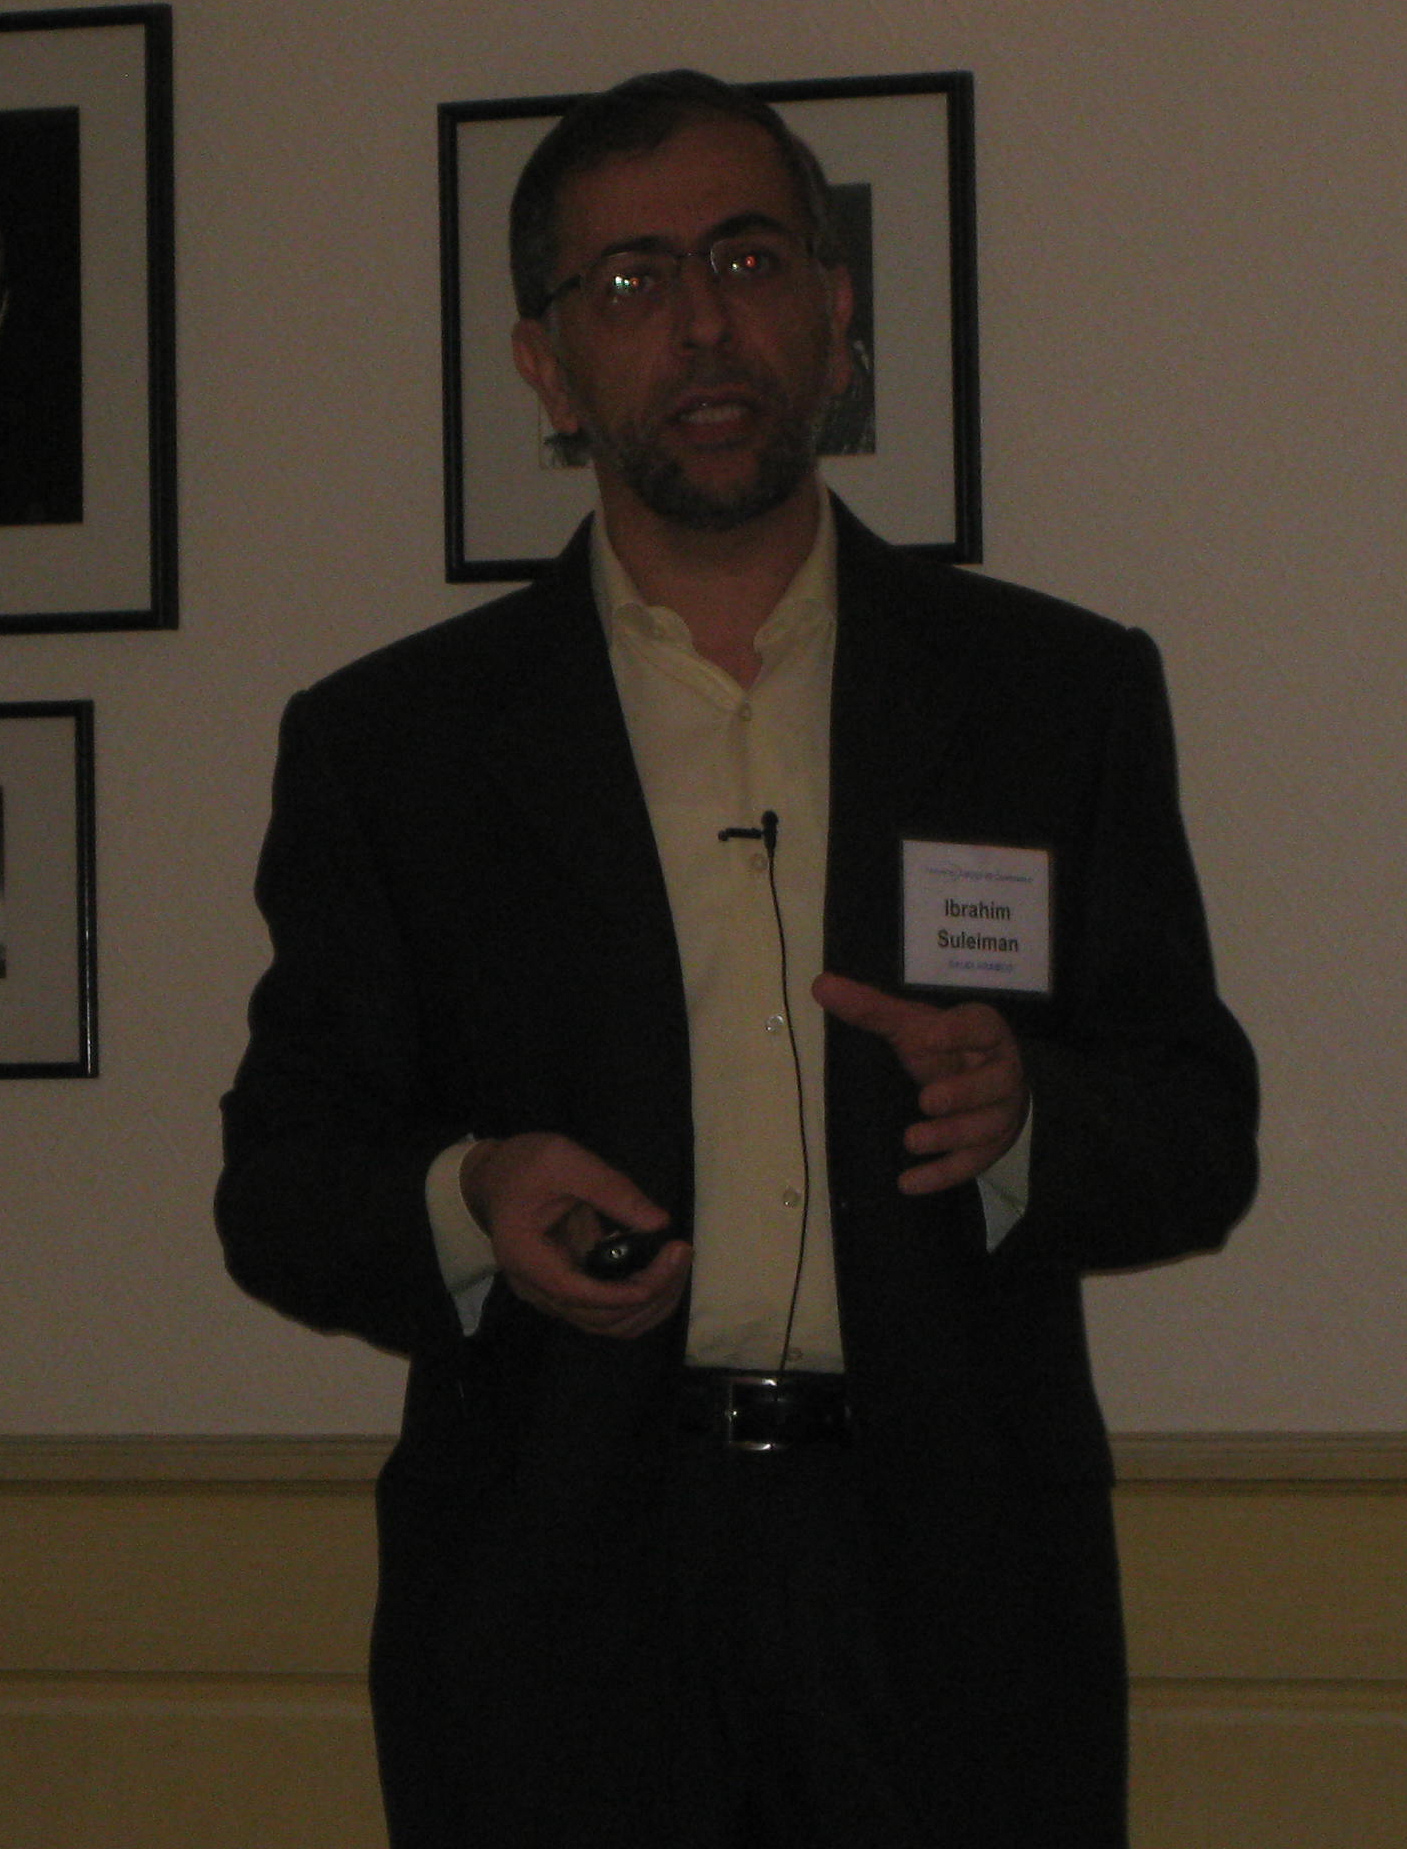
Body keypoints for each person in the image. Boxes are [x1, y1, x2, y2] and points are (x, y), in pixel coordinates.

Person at [217, 70, 1258, 1849]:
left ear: (836, 320)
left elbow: (1198, 1127)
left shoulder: (1053, 697)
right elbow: (281, 1183)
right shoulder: (395, 747)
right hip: (555, 1618)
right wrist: (473, 1195)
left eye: (749, 259)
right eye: (628, 282)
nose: (702, 321)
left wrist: (1027, 1121)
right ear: (548, 368)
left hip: (953, 1606)